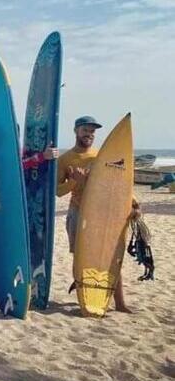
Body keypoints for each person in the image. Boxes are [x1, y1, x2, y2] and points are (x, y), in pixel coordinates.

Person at [56, 116, 140, 313]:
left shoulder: (101, 156)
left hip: (102, 213)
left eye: (92, 131)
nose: (89, 134)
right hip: (78, 212)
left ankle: (120, 303)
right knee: (82, 257)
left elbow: (118, 183)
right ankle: (85, 297)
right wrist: (75, 181)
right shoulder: (65, 159)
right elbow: (57, 191)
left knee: (110, 254)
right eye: (85, 130)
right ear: (76, 131)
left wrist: (135, 204)